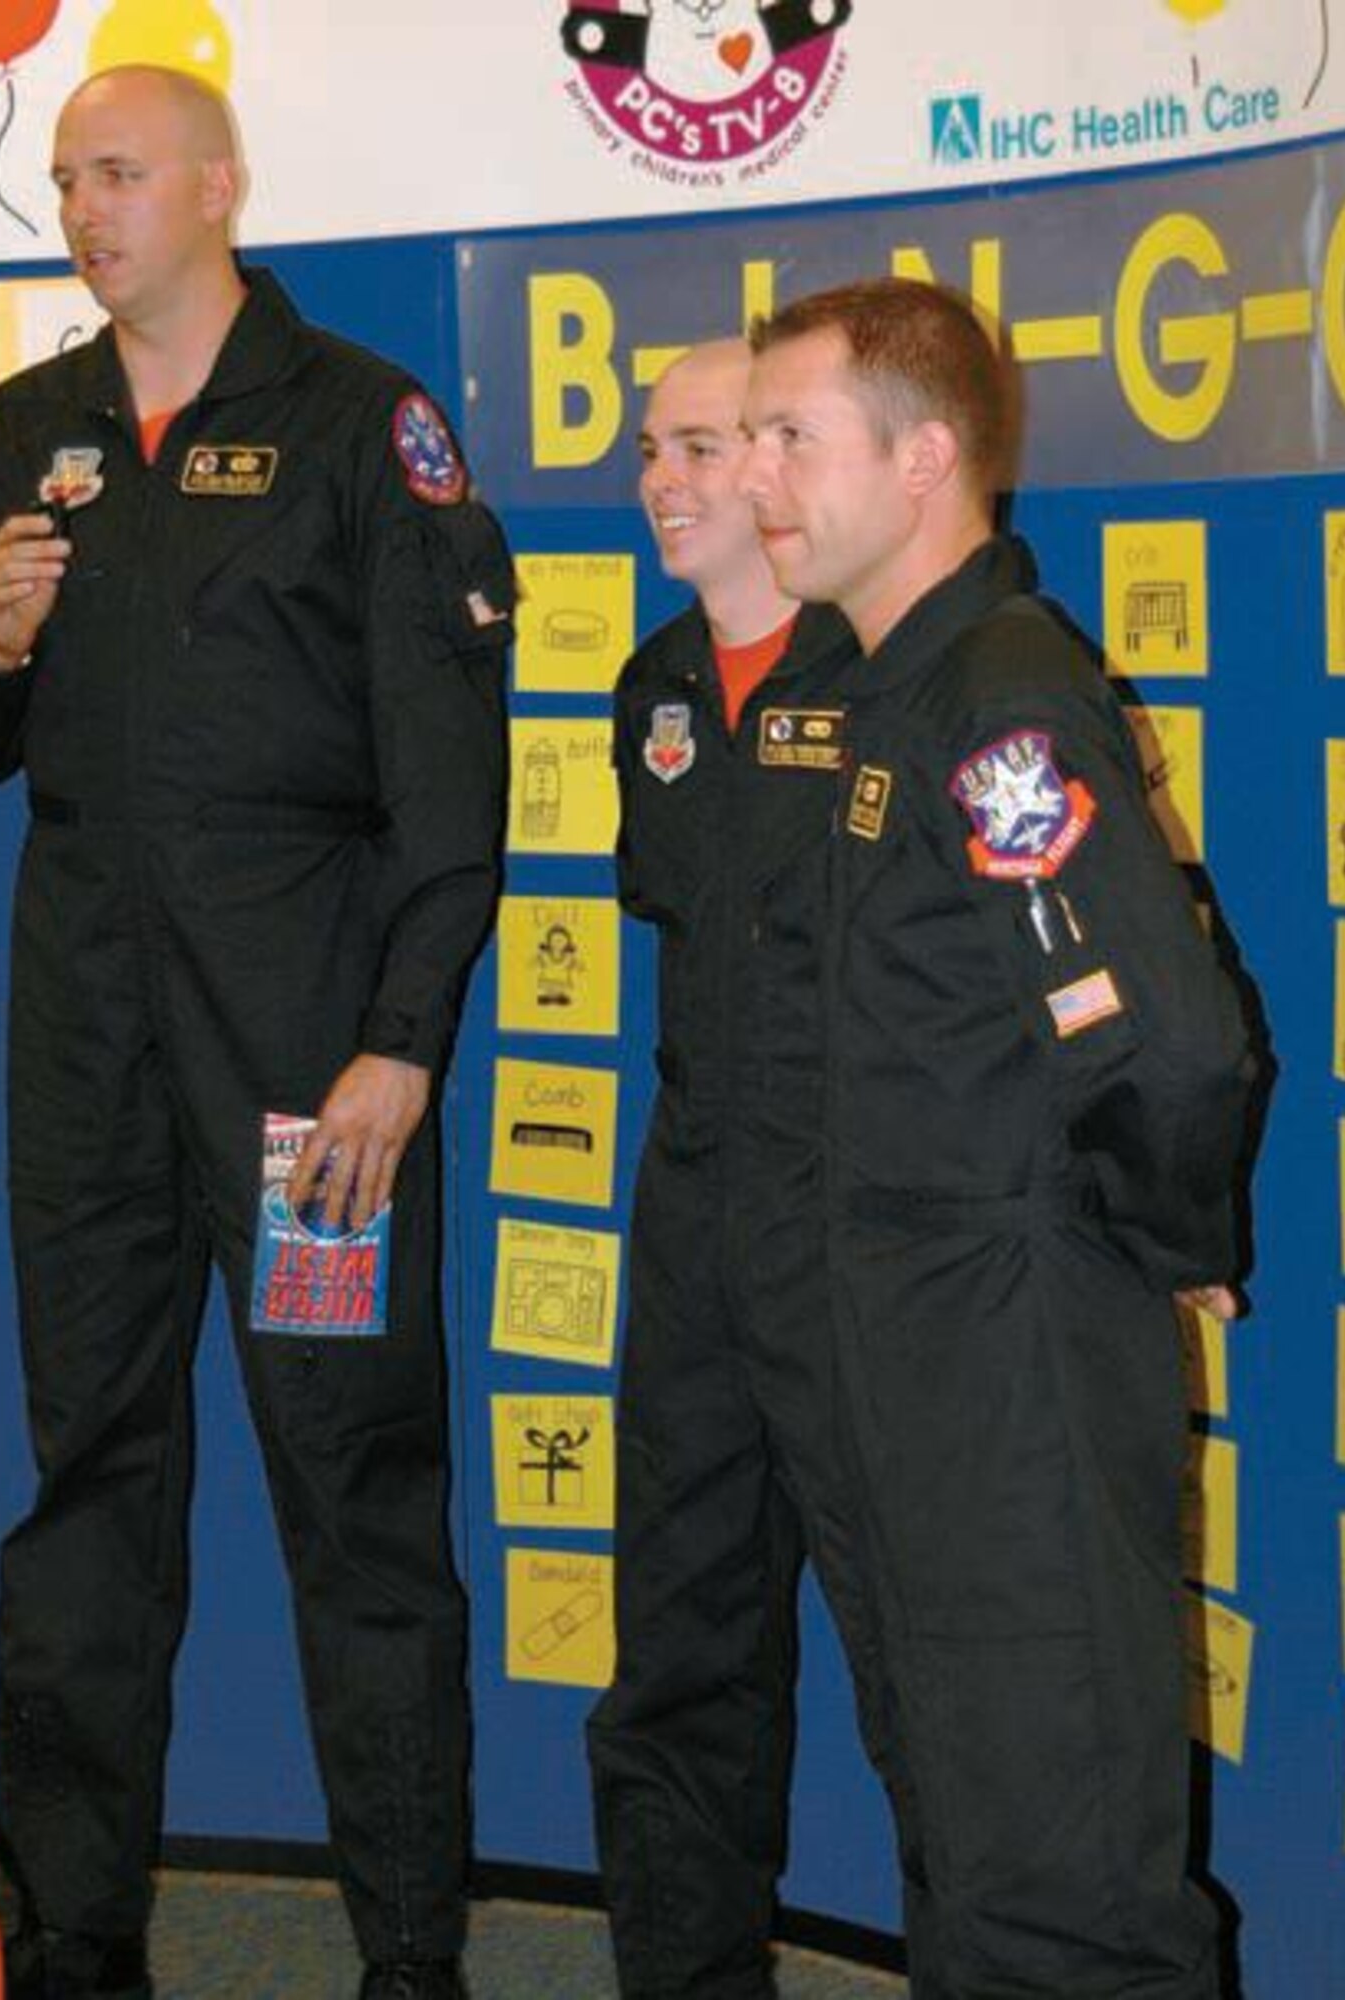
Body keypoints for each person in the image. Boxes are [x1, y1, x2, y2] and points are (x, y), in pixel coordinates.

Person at [0, 65, 512, 2000]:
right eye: (69, 175)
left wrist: (401, 1041)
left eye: (124, 172)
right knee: (90, 1476)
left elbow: (448, 779)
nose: (87, 205)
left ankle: (408, 1949)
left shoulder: (360, 427)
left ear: (221, 186)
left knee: (352, 1489)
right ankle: (82, 1934)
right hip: (86, 1049)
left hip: (305, 1070)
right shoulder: (20, 431)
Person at [728, 276, 1254, 1998]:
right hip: (918, 1361)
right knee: (970, 1845)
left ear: (927, 457)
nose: (755, 480)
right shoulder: (897, 690)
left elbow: (1167, 1046)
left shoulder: (1002, 703)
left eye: (795, 437)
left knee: (1064, 1881)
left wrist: (1168, 1242)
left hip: (1013, 1356)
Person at [585, 340, 865, 1997]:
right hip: (693, 1221)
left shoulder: (897, 667)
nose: (662, 481)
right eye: (649, 449)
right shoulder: (656, 686)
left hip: (869, 1234)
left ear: (777, 463)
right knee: (679, 1658)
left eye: (697, 444)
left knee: (942, 1676)